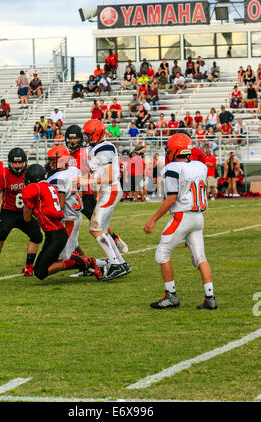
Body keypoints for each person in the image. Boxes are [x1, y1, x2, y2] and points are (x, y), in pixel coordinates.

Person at [143, 132, 217, 310]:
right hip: (198, 217)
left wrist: (152, 220)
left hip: (182, 215)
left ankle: (171, 296)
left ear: (174, 150)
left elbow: (171, 199)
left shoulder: (172, 168)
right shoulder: (200, 166)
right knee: (201, 258)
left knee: (162, 253)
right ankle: (210, 297)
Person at [22, 163, 101, 280]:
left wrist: (30, 207)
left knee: (40, 272)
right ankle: (84, 262)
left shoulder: (33, 189)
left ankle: (85, 262)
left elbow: (26, 218)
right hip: (55, 233)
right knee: (42, 267)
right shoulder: (50, 186)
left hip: (55, 235)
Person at [64, 124, 128, 256]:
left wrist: (96, 191)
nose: (72, 141)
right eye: (69, 139)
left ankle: (115, 240)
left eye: (75, 139)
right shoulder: (67, 155)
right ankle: (79, 258)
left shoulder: (86, 152)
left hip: (85, 193)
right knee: (73, 227)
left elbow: (98, 173)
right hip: (72, 194)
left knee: (97, 225)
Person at [81, 119, 131, 280]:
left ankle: (116, 264)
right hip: (107, 190)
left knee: (95, 229)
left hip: (111, 190)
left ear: (97, 133)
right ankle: (121, 263)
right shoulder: (96, 147)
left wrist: (86, 181)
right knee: (100, 228)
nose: (87, 138)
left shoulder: (104, 148)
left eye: (89, 135)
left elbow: (109, 177)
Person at [0, 147, 43, 276]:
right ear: (10, 163)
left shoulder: (30, 173)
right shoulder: (4, 174)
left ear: (25, 162)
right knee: (1, 233)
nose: (17, 165)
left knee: (37, 236)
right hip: (8, 211)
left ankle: (28, 266)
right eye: (15, 162)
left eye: (20, 162)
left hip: (25, 212)